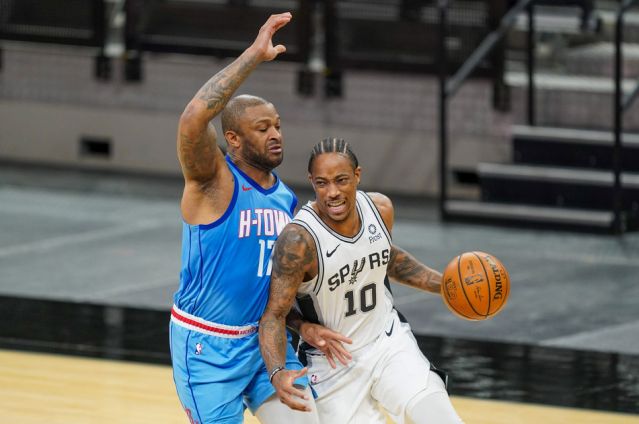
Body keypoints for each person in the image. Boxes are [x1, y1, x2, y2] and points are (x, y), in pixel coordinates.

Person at [170, 13, 346, 424]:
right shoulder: (212, 182)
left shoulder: (285, 199)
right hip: (206, 348)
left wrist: (302, 327)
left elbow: (277, 287)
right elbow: (194, 118)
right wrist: (254, 55)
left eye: (278, 126)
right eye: (262, 127)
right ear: (232, 139)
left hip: (266, 342)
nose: (276, 134)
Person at [259, 138, 465, 423]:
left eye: (341, 180)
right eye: (322, 183)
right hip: (333, 364)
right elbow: (274, 313)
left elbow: (385, 257)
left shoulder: (380, 210)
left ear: (357, 175)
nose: (332, 192)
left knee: (440, 418)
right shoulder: (299, 241)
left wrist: (446, 285)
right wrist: (278, 370)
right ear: (311, 181)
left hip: (388, 343)